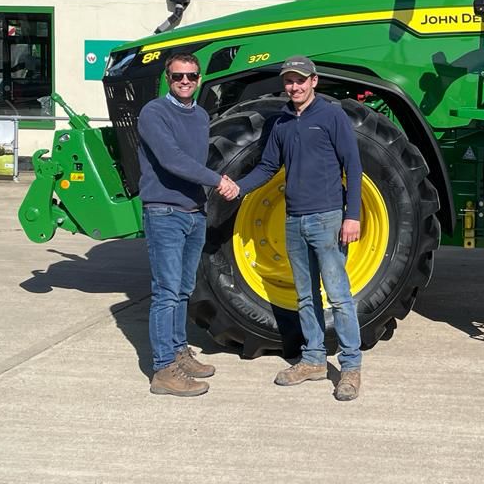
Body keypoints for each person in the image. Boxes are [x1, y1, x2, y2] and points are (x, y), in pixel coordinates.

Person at [235, 55, 364, 401]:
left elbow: (352, 165)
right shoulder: (282, 124)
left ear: (314, 81)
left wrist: (353, 216)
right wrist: (237, 186)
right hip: (293, 219)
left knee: (339, 296)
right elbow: (266, 168)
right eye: (289, 81)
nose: (294, 86)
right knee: (305, 296)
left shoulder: (332, 115)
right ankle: (314, 360)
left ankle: (350, 367)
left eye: (300, 80)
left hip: (328, 218)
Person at [136, 52, 239, 396]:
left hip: (193, 212)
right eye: (178, 76)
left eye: (191, 76)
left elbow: (195, 160)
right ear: (168, 78)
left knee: (182, 289)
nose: (185, 81)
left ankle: (179, 351)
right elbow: (171, 159)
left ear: (199, 78)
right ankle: (163, 369)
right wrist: (218, 180)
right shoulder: (154, 113)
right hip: (164, 212)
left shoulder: (200, 115)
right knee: (166, 292)